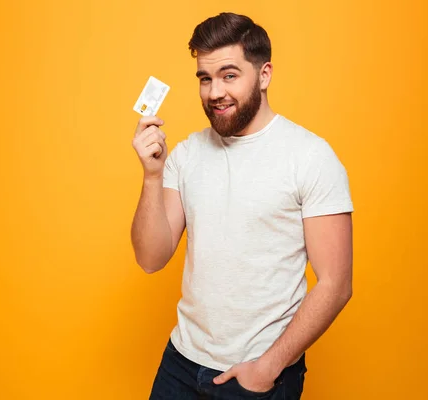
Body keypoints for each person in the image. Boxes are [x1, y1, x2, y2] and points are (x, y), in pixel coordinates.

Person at [131, 12, 354, 400]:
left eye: (229, 75)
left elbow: (335, 284)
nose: (215, 91)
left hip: (257, 375)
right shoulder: (186, 155)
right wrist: (152, 176)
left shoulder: (310, 157)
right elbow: (151, 258)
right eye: (205, 78)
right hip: (181, 364)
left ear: (264, 74)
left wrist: (268, 367)